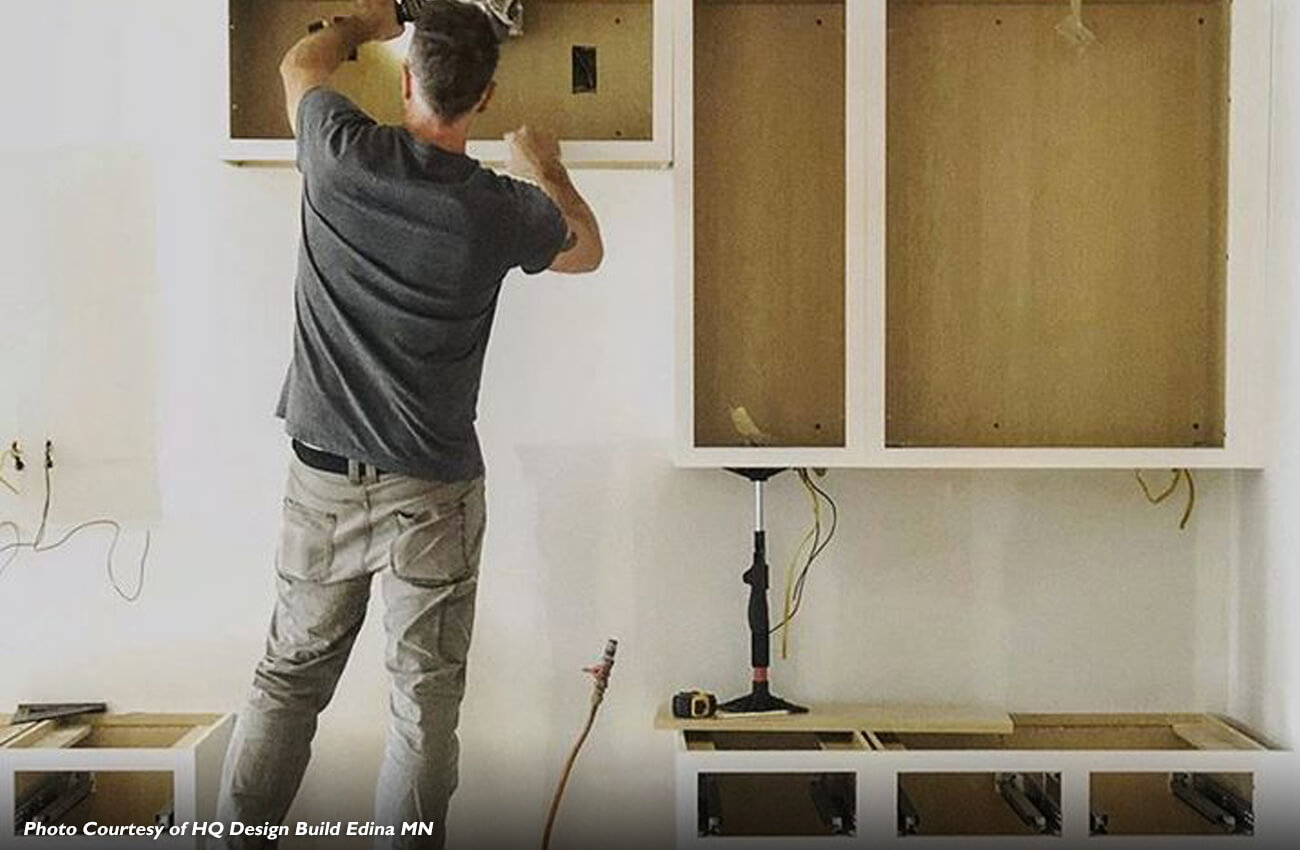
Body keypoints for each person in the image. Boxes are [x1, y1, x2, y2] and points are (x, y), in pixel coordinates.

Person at [212, 1, 603, 847]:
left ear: (403, 78)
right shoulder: (498, 207)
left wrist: (357, 21)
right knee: (424, 707)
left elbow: (297, 69)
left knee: (288, 680)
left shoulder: (341, 151)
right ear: (487, 95)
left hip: (324, 479)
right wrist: (549, 167)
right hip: (433, 491)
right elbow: (584, 247)